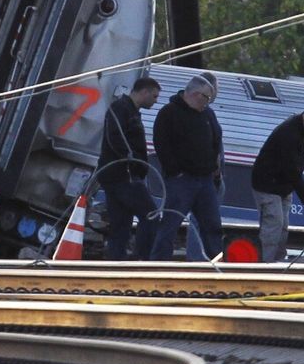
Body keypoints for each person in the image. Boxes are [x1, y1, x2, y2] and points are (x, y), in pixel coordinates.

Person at [149, 74, 224, 261]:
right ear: (195, 94)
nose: (207, 103)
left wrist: (215, 167)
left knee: (212, 226)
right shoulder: (169, 113)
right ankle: (158, 264)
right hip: (181, 180)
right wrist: (175, 171)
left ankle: (217, 265)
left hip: (205, 180)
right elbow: (161, 144)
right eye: (206, 98)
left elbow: (216, 138)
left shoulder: (208, 114)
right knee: (170, 224)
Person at [96, 76, 161, 260]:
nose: (155, 101)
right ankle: (143, 259)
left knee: (121, 224)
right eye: (154, 96)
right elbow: (114, 138)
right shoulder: (121, 109)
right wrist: (131, 160)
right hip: (123, 176)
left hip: (117, 176)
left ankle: (115, 264)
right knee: (150, 216)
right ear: (144, 92)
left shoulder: (129, 110)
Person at [251, 103, 304, 262]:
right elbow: (292, 170)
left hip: (283, 186)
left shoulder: (303, 130)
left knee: (283, 228)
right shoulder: (289, 133)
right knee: (273, 226)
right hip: (268, 185)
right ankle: (265, 266)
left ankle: (277, 263)